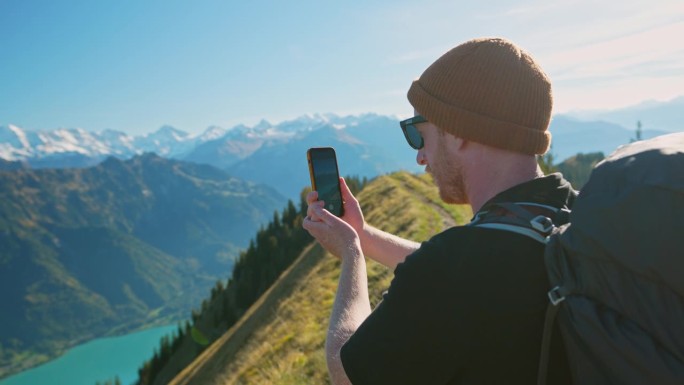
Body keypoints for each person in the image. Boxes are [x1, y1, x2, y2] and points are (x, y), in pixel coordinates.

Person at [303, 37, 576, 385]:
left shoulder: (454, 268)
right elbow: (462, 271)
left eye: (419, 135)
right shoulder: (575, 211)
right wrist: (364, 235)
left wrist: (352, 254)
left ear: (459, 132)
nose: (420, 157)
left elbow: (346, 371)